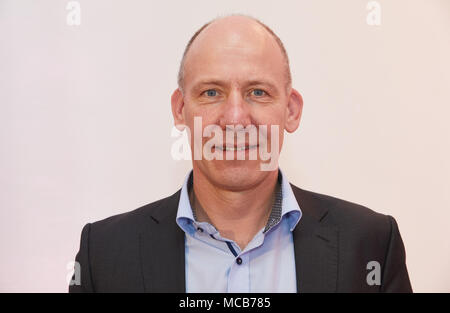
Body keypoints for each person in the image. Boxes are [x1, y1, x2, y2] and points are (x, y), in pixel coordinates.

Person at [69, 14, 412, 293]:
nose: (235, 118)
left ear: (291, 111)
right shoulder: (104, 255)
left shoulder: (370, 244)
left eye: (258, 92)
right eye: (212, 92)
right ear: (180, 109)